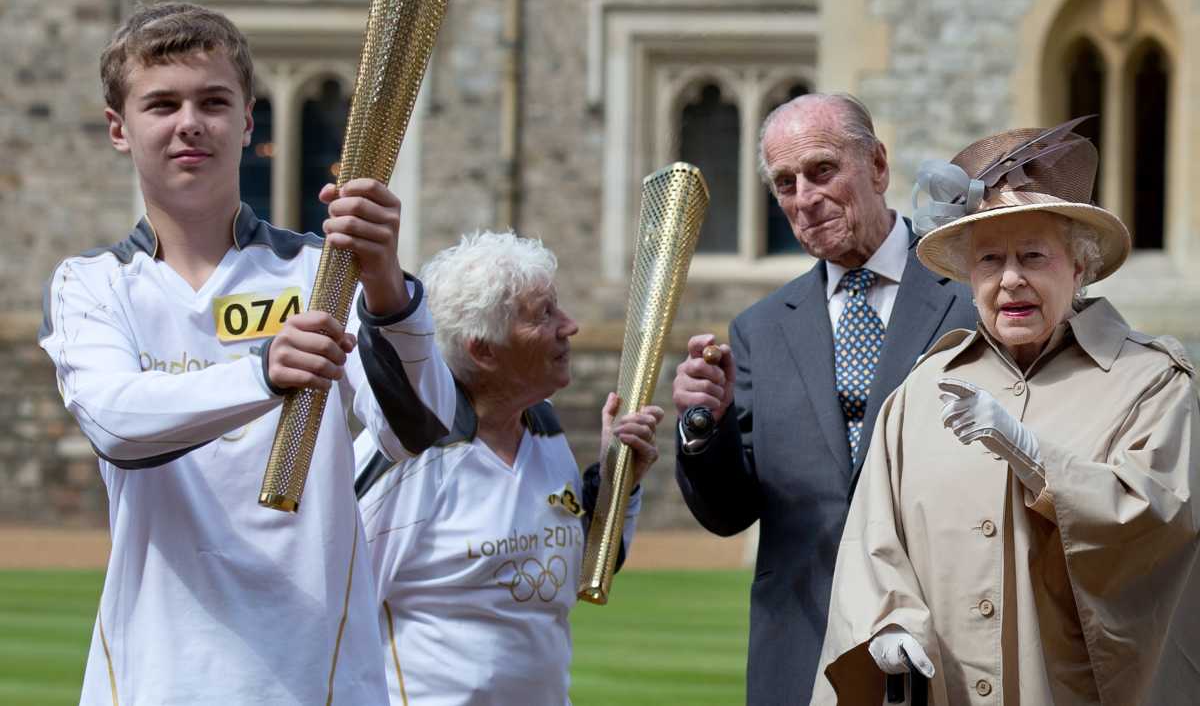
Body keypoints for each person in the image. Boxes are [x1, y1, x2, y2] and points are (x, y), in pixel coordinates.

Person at [38, 2, 457, 704]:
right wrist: (262, 371)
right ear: (120, 128)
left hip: (316, 675)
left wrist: (386, 285)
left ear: (248, 121)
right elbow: (116, 421)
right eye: (162, 104)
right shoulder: (94, 285)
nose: (190, 123)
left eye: (213, 101)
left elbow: (420, 428)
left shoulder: (320, 272)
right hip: (156, 676)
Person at [815, 122, 1200, 705]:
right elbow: (872, 539)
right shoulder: (921, 391)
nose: (1011, 279)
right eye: (991, 259)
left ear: (1080, 268)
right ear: (970, 278)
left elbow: (1158, 521)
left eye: (1033, 256)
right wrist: (885, 622)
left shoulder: (1151, 383)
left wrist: (1031, 452)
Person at [672, 92, 977, 705]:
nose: (804, 198)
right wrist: (706, 428)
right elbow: (730, 512)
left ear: (879, 167)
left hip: (951, 652)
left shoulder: (973, 296)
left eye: (821, 171)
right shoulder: (759, 330)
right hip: (804, 653)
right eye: (785, 183)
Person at [353, 229, 664, 706]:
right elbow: (329, 604)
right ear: (484, 350)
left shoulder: (543, 427)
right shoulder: (405, 455)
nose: (570, 325)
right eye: (544, 314)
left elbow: (572, 572)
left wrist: (615, 481)